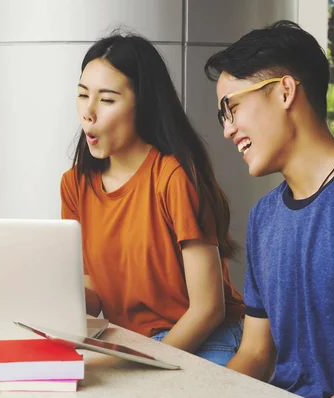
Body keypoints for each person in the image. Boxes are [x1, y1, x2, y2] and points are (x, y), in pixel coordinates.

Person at [204, 20, 334, 397]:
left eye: (232, 108)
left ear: (285, 91)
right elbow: (254, 353)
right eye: (224, 116)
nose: (228, 129)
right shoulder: (264, 217)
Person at [60, 33, 245, 366]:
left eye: (107, 99)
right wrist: (48, 295)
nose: (87, 113)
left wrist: (140, 363)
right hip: (133, 343)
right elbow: (93, 292)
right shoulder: (75, 185)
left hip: (202, 338)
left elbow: (208, 309)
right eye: (82, 94)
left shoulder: (173, 177)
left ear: (142, 104)